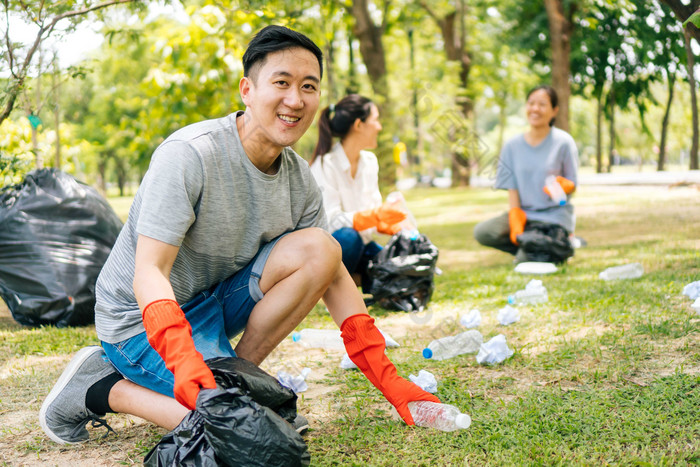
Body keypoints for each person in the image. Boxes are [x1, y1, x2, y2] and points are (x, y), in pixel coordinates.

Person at [39, 25, 438, 446]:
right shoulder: (190, 154)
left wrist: (390, 381)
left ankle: (232, 380)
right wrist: (183, 360)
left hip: (212, 303)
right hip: (137, 320)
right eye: (281, 83)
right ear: (247, 89)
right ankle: (98, 386)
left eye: (309, 86)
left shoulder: (299, 179)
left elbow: (334, 274)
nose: (295, 100)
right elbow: (149, 272)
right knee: (232, 434)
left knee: (323, 249)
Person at [309, 95, 407, 292]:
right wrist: (375, 216)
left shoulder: (369, 162)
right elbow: (331, 222)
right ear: (358, 125)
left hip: (361, 248)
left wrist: (399, 228)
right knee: (348, 236)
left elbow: (371, 216)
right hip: (331, 250)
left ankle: (353, 280)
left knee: (396, 270)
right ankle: (331, 286)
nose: (379, 127)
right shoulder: (325, 165)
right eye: (375, 120)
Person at [473, 85, 579, 262]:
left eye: (542, 104)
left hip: (554, 217)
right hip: (526, 216)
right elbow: (512, 189)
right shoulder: (512, 146)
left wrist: (564, 186)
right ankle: (537, 247)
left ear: (554, 111)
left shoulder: (564, 142)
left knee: (522, 263)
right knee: (483, 232)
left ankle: (556, 244)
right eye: (531, 103)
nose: (535, 109)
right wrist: (515, 217)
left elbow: (572, 183)